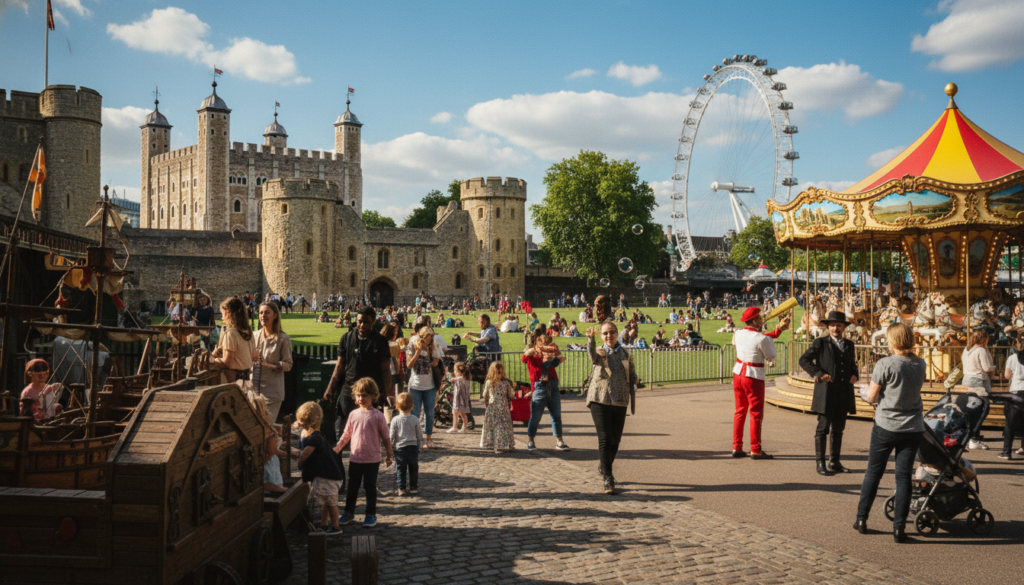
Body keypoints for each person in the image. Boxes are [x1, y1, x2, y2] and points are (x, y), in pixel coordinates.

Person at [854, 323, 925, 543]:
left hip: (886, 424)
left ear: (892, 340)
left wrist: (865, 393)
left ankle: (862, 518)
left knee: (874, 472)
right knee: (903, 478)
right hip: (912, 426)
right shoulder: (920, 363)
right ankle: (899, 528)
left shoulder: (885, 363)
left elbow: (872, 396)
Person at [799, 311, 859, 475]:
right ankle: (820, 463)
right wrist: (818, 374)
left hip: (843, 392)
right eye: (832, 325)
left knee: (838, 429)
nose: (835, 328)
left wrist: (854, 374)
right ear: (828, 327)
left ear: (844, 327)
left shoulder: (849, 344)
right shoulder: (821, 342)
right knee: (823, 428)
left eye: (839, 325)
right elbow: (803, 360)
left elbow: (852, 364)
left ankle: (835, 461)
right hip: (826, 392)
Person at [324, 306, 394, 444]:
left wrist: (389, 393)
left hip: (371, 391)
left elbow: (386, 369)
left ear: (373, 321)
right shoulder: (347, 338)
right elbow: (339, 366)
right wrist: (330, 389)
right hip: (348, 389)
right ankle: (340, 462)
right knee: (342, 433)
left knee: (367, 433)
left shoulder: (380, 341)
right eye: (360, 321)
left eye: (366, 322)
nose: (362, 325)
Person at [585, 321, 637, 494]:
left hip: (620, 400)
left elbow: (632, 374)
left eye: (612, 332)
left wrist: (636, 382)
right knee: (605, 439)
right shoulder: (600, 352)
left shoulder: (625, 353)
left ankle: (604, 465)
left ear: (618, 334)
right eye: (605, 333)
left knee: (616, 440)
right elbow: (592, 356)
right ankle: (608, 477)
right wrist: (590, 341)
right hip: (599, 399)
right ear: (601, 335)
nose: (609, 336)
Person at [334, 378, 394, 528]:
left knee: (370, 488)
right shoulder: (353, 414)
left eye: (365, 395)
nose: (361, 399)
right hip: (355, 458)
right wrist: (336, 449)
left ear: (373, 396)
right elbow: (346, 434)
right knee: (352, 487)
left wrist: (389, 453)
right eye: (359, 395)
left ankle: (370, 514)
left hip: (372, 459)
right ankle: (348, 512)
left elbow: (385, 436)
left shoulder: (378, 416)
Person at [731, 307, 789, 459]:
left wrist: (777, 331)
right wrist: (775, 333)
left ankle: (737, 447)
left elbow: (755, 339)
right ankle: (755, 449)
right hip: (753, 377)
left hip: (738, 374)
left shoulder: (737, 333)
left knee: (740, 412)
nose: (762, 320)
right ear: (755, 320)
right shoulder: (761, 338)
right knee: (756, 413)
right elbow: (770, 354)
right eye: (760, 318)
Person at [296, 401, 345, 536]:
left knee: (331, 503)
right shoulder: (309, 434)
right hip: (324, 474)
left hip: (328, 475)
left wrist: (300, 463)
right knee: (325, 501)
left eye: (302, 419)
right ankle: (324, 524)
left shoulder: (315, 437)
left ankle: (335, 526)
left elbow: (305, 453)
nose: (299, 421)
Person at [522, 334, 569, 451]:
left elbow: (557, 358)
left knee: (556, 416)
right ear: (537, 342)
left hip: (553, 385)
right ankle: (531, 441)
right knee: (535, 417)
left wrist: (557, 357)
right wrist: (538, 348)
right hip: (539, 386)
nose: (546, 345)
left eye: (547, 342)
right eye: (543, 342)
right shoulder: (531, 354)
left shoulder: (549, 354)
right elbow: (524, 357)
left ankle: (559, 441)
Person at [253, 302, 293, 423]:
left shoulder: (283, 339)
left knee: (266, 428)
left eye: (267, 312)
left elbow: (288, 364)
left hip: (272, 394)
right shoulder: (254, 336)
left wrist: (268, 365)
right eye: (261, 312)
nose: (263, 315)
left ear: (275, 315)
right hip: (253, 392)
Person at [406, 326, 443, 448]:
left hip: (430, 385)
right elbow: (409, 365)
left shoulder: (433, 345)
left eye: (430, 338)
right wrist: (417, 352)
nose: (428, 340)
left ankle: (428, 438)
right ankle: (415, 438)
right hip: (415, 385)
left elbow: (436, 362)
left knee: (429, 412)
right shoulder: (412, 343)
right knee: (414, 413)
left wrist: (429, 351)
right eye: (426, 338)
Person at [210, 296, 257, 384]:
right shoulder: (248, 331)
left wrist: (212, 361)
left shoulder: (231, 333)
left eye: (222, 313)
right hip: (245, 380)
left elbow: (227, 362)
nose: (222, 318)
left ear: (227, 313)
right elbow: (253, 356)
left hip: (233, 381)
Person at [962, 330, 994, 450]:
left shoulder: (967, 349)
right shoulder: (981, 350)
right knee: (983, 409)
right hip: (978, 381)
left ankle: (970, 437)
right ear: (983, 339)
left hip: (967, 380)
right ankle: (974, 438)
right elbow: (986, 367)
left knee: (971, 410)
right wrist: (994, 368)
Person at [389, 392, 424, 496]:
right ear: (412, 406)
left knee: (401, 469)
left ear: (397, 406)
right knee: (413, 468)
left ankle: (401, 488)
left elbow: (392, 436)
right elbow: (419, 435)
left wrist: (391, 448)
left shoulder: (395, 420)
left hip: (400, 449)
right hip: (412, 448)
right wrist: (419, 446)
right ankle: (413, 487)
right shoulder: (415, 419)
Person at [479, 361, 515, 453]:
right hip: (502, 407)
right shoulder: (506, 383)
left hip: (493, 407)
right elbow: (510, 395)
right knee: (502, 426)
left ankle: (491, 443)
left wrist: (487, 405)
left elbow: (485, 395)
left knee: (493, 425)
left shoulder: (489, 382)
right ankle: (503, 444)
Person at [999, 334, 1024, 459]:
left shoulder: (1012, 358)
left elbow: (1007, 375)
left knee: (1010, 421)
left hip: (1016, 391)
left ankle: (1006, 451)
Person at [447, 361, 472, 433]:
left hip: (460, 398)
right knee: (457, 412)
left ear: (459, 371)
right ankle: (458, 427)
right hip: (460, 398)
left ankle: (460, 427)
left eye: (455, 370)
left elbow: (459, 380)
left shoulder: (462, 378)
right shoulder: (463, 378)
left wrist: (454, 380)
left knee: (460, 413)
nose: (454, 372)